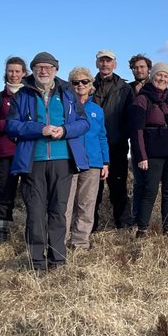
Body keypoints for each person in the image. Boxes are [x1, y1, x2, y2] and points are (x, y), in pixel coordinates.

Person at [8, 52, 90, 270]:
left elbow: (83, 122)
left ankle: (58, 259)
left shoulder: (68, 93)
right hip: (32, 161)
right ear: (33, 70)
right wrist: (40, 129)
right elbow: (12, 126)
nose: (44, 71)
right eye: (39, 67)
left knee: (58, 211)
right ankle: (36, 261)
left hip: (62, 160)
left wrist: (65, 130)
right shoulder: (22, 94)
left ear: (55, 70)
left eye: (48, 67)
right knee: (35, 212)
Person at [131, 61, 168, 235]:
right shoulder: (142, 99)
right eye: (159, 75)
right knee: (150, 191)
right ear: (152, 76)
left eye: (166, 76)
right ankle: (142, 228)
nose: (162, 79)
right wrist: (141, 156)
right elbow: (137, 130)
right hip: (153, 153)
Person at [65, 66, 109, 250]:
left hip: (92, 162)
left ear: (91, 84)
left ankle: (80, 243)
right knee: (65, 204)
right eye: (76, 82)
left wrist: (105, 162)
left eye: (85, 81)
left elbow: (102, 136)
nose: (80, 85)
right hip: (69, 161)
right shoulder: (65, 107)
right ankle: (60, 241)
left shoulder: (97, 110)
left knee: (87, 204)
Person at [92, 50, 134, 229]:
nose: (105, 64)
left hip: (117, 145)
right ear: (97, 63)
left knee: (118, 186)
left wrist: (121, 136)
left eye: (108, 61)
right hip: (93, 147)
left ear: (114, 64)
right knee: (93, 189)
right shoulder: (88, 84)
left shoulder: (124, 88)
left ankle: (123, 224)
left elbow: (130, 117)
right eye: (102, 61)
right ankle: (91, 225)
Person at [0, 56, 28, 243]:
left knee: (32, 192)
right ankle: (1, 230)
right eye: (10, 71)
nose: (14, 74)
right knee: (5, 190)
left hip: (28, 151)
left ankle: (32, 228)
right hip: (6, 152)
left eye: (17, 71)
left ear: (24, 73)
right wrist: (11, 124)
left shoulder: (31, 96)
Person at [127, 53, 153, 225]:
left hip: (154, 140)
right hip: (135, 139)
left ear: (149, 69)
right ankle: (137, 217)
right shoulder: (127, 89)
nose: (139, 70)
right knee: (139, 181)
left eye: (142, 67)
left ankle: (161, 217)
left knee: (154, 182)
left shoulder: (156, 86)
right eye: (135, 67)